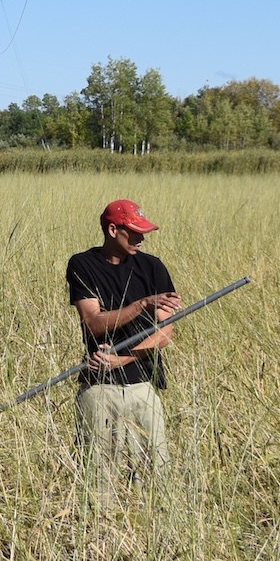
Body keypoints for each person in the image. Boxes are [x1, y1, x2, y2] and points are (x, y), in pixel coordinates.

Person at [66, 199, 181, 486]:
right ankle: (99, 528)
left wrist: (123, 358)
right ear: (113, 229)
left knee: (157, 474)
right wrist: (142, 305)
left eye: (143, 232)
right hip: (99, 387)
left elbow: (165, 334)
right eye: (134, 232)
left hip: (143, 385)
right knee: (98, 474)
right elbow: (93, 323)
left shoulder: (153, 267)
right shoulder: (82, 264)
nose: (141, 239)